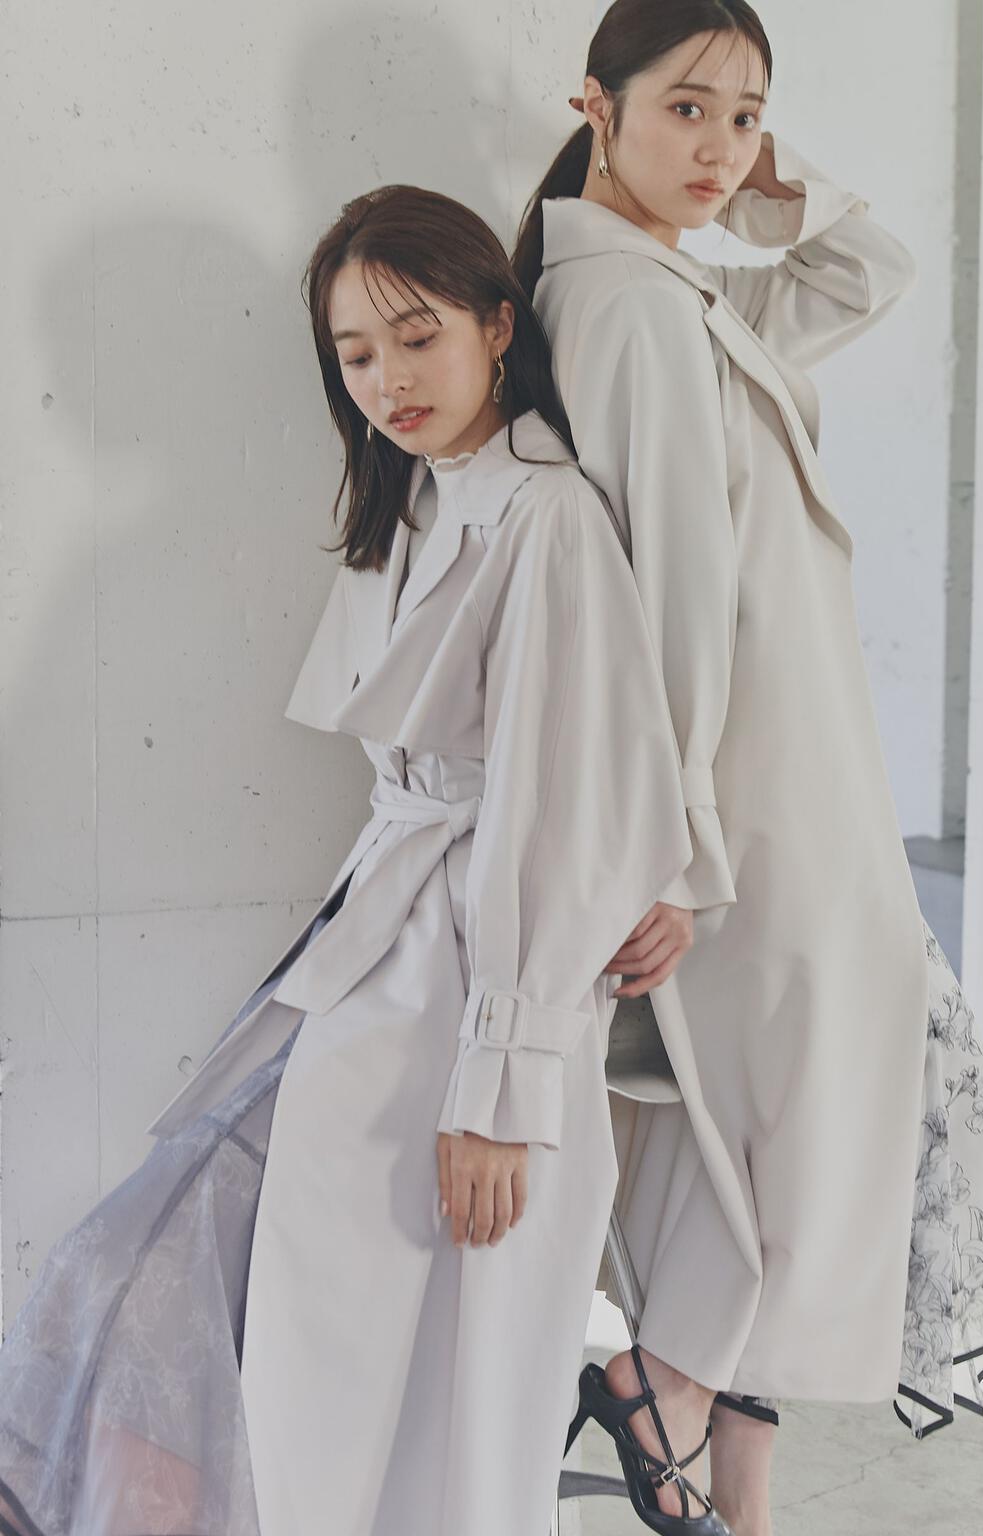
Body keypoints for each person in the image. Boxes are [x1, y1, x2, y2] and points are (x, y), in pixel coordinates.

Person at [0, 184, 694, 1536]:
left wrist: (501, 1086)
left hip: (474, 999)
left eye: (417, 337)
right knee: (250, 1334)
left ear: (499, 326)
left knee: (442, 1387)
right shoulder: (416, 505)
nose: (388, 381)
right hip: (380, 965)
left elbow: (563, 805)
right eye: (356, 354)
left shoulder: (546, 517)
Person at [520, 4, 983, 1533]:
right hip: (751, 795)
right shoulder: (631, 311)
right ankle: (661, 1390)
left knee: (779, 1124)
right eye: (686, 108)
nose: (721, 146)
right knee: (794, 1125)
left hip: (800, 775)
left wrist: (776, 187)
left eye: (747, 114)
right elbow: (673, 592)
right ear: (594, 106)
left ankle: (731, 1482)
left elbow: (863, 272)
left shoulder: (678, 291)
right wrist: (683, 842)